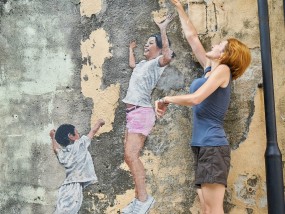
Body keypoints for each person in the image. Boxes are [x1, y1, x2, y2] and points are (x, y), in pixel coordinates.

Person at [155, 1, 251, 214]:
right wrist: (179, 7)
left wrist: (168, 98)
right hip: (202, 146)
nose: (214, 46)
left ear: (226, 55)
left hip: (213, 147)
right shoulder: (209, 70)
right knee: (207, 209)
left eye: (219, 46)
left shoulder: (224, 71)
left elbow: (196, 98)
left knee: (214, 210)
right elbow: (192, 38)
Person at [121, 14, 175, 214]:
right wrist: (130, 51)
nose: (146, 45)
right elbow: (133, 66)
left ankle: (143, 199)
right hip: (132, 113)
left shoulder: (156, 64)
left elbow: (168, 56)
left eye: (150, 43)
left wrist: (162, 29)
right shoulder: (143, 65)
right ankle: (139, 198)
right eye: (146, 43)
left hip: (141, 113)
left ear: (159, 48)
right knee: (129, 157)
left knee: (131, 155)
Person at [49, 119, 105, 214]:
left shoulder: (64, 153)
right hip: (74, 187)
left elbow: (56, 149)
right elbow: (93, 131)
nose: (79, 135)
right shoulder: (80, 145)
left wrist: (53, 137)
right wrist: (99, 122)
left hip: (66, 187)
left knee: (62, 210)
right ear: (71, 136)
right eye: (77, 133)